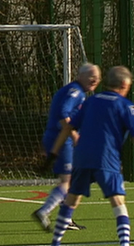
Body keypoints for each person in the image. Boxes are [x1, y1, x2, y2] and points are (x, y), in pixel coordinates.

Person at [42, 66, 134, 246]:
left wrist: (53, 154)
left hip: (81, 158)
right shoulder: (125, 105)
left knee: (71, 200)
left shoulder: (90, 101)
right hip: (107, 159)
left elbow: (69, 127)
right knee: (118, 202)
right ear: (124, 84)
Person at [32, 63, 101, 232]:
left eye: (98, 77)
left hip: (58, 138)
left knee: (72, 178)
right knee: (67, 181)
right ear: (80, 75)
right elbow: (63, 113)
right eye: (91, 76)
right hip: (61, 140)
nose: (95, 80)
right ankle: (44, 211)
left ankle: (66, 217)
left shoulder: (76, 91)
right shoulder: (75, 92)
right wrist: (74, 135)